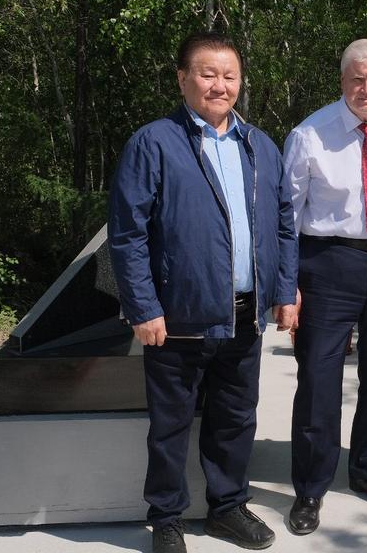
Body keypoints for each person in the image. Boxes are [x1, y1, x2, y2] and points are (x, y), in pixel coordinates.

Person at [109, 32, 298, 553]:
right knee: (170, 425)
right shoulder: (154, 142)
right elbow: (128, 233)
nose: (220, 85)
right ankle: (166, 519)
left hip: (244, 314)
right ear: (182, 78)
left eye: (229, 75)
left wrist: (284, 290)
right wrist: (143, 306)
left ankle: (227, 506)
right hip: (178, 317)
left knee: (235, 418)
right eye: (207, 73)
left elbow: (284, 224)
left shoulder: (260, 145)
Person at [282, 39, 367, 536]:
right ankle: (311, 487)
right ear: (342, 80)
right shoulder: (308, 135)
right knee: (319, 381)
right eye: (357, 79)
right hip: (328, 265)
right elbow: (286, 217)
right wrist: (287, 284)